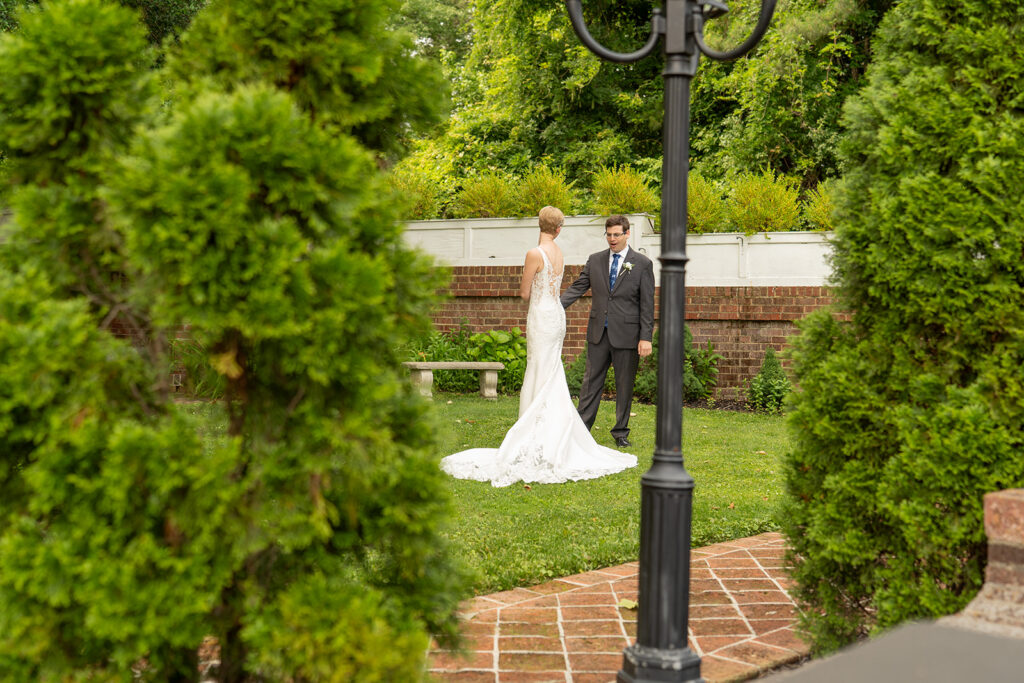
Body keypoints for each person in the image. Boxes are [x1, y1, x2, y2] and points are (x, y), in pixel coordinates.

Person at [440, 206, 637, 487]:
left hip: (542, 315)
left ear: (539, 225)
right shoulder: (558, 253)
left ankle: (533, 431)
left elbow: (524, 293)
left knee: (539, 368)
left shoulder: (534, 253)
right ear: (558, 229)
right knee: (551, 369)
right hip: (556, 314)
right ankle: (555, 431)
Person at [560, 215, 654, 448]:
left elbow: (647, 304)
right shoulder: (595, 260)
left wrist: (645, 338)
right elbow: (579, 286)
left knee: (624, 385)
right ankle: (581, 429)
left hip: (628, 335)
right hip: (598, 334)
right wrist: (555, 305)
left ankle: (620, 432)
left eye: (616, 235)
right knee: (590, 383)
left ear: (627, 234)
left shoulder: (642, 263)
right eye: (609, 234)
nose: (612, 239)